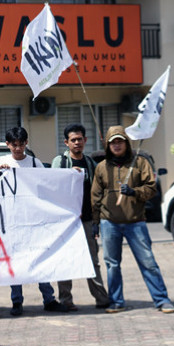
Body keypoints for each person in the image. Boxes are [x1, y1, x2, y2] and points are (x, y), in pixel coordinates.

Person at [91, 125, 174, 314]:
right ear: (108, 145)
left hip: (135, 222)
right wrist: (95, 222)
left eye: (120, 141)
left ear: (127, 143)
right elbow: (95, 196)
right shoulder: (102, 167)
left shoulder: (140, 163)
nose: (117, 145)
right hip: (109, 222)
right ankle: (116, 301)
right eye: (113, 142)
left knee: (148, 262)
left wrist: (134, 192)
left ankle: (162, 300)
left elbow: (151, 188)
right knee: (112, 265)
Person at [0, 126, 69, 316]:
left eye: (21, 144)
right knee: (16, 263)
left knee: (39, 260)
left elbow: (48, 185)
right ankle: (17, 301)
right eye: (14, 145)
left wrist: (72, 175)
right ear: (7, 145)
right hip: (12, 222)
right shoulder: (1, 162)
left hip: (33, 221)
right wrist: (0, 173)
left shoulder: (35, 163)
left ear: (26, 143)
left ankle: (49, 299)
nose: (17, 149)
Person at [50, 124, 110, 310]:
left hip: (87, 220)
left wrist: (96, 222)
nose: (77, 143)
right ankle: (66, 300)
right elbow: (52, 186)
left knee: (92, 260)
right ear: (66, 142)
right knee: (65, 260)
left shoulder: (92, 164)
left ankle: (102, 299)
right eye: (73, 140)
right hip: (66, 222)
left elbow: (98, 193)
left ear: (85, 140)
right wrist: (68, 176)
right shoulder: (60, 162)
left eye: (80, 139)